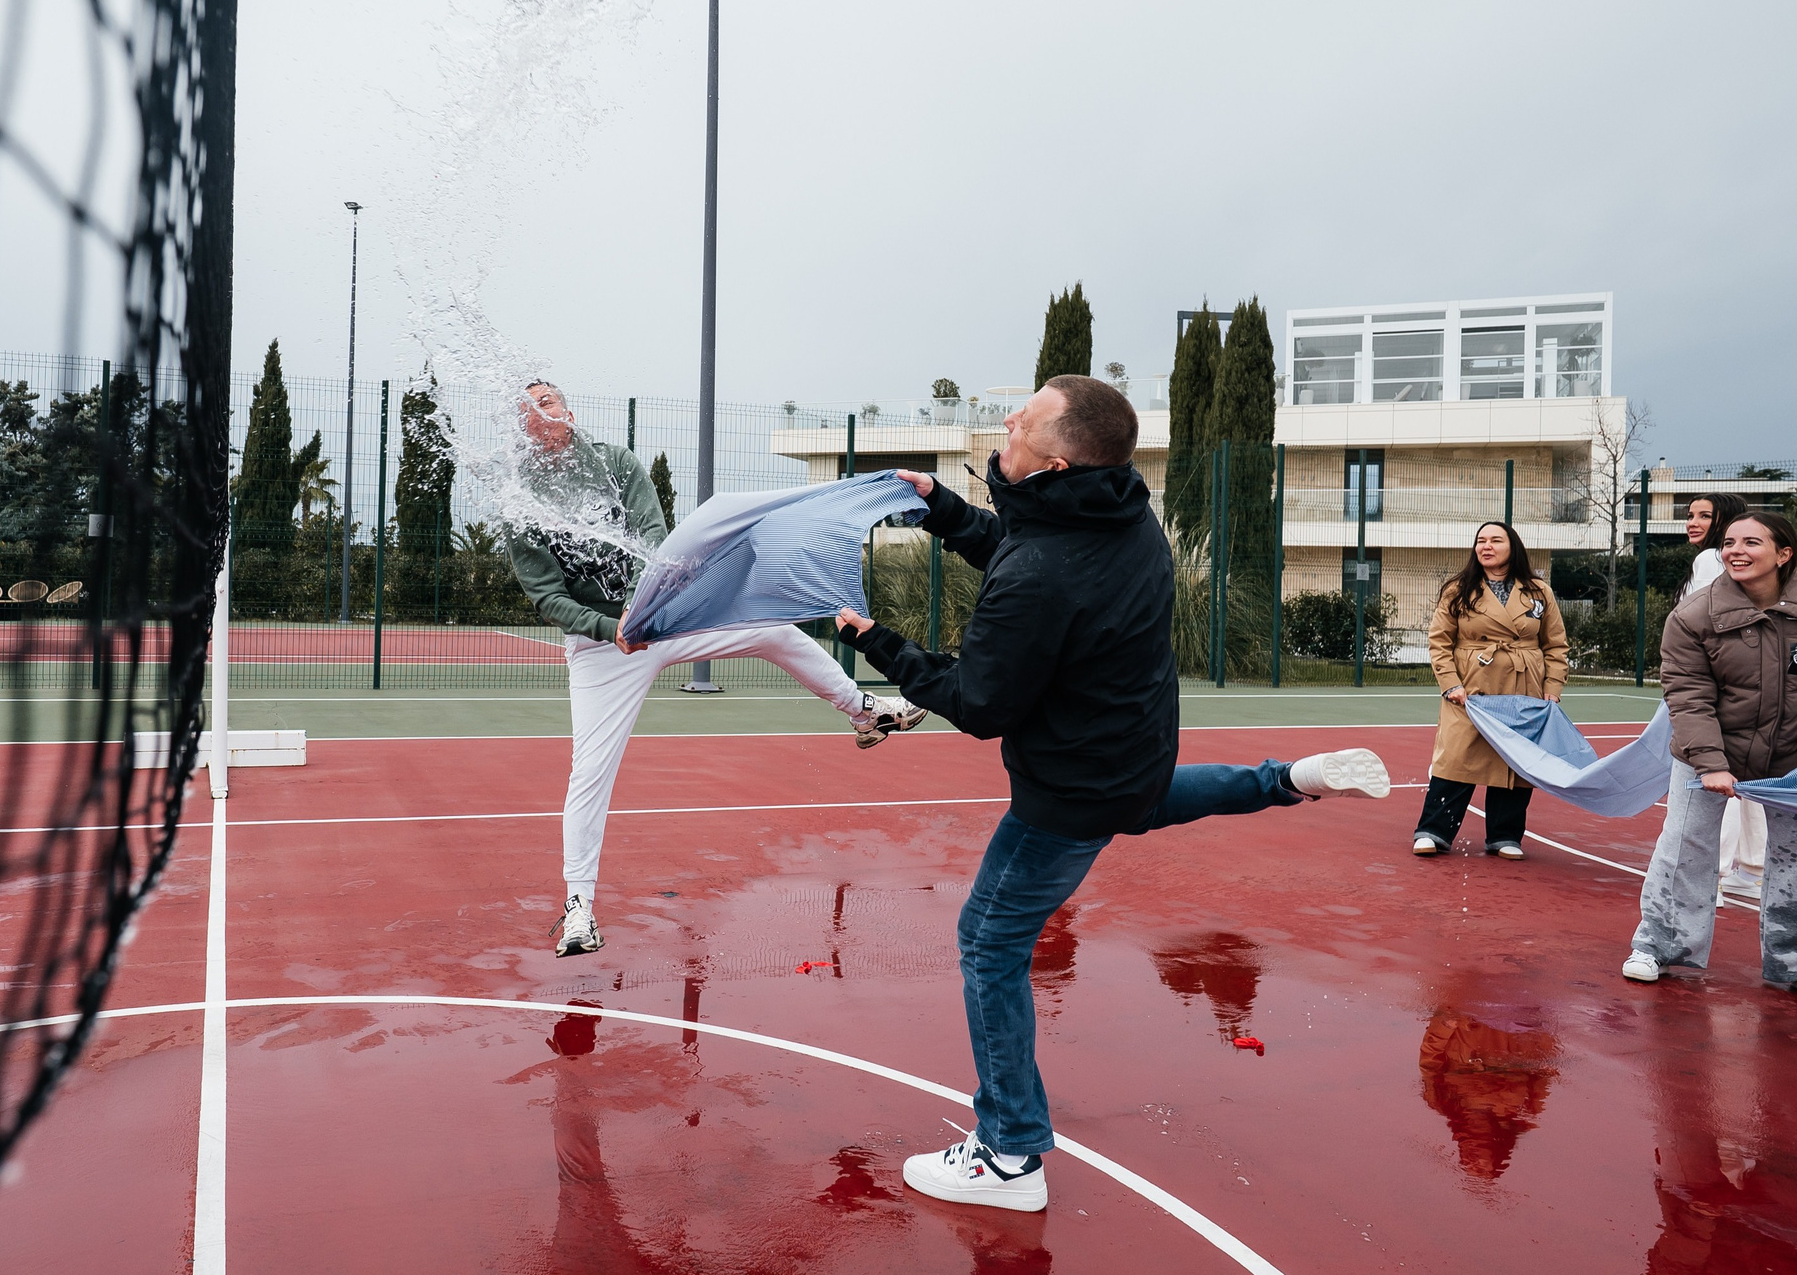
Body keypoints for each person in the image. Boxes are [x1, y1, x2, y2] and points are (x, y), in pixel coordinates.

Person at [829, 376, 1389, 1213]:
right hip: (1129, 757)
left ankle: (1011, 1154)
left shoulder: (1046, 569)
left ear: (1054, 462)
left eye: (1025, 418)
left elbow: (980, 702)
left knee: (988, 944)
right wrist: (945, 508)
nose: (1008, 418)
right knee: (1150, 799)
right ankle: (1287, 779)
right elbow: (1024, 545)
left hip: (1071, 789)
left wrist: (879, 643)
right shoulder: (1118, 510)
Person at [505, 381, 923, 958]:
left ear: (568, 410)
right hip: (604, 647)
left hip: (663, 616)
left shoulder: (615, 463)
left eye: (546, 398)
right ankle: (579, 908)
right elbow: (547, 597)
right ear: (522, 430)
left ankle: (865, 712)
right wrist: (613, 629)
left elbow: (655, 534)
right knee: (590, 773)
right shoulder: (522, 501)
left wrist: (645, 602)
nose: (539, 409)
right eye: (527, 407)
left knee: (775, 629)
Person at [1626, 511, 1797, 1006]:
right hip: (1705, 754)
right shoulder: (1693, 616)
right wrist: (1709, 762)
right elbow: (1688, 695)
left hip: (1796, 758)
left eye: (1751, 542)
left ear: (1784, 554)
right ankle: (1658, 946)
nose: (1735, 551)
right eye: (1729, 542)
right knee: (1685, 848)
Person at [1413, 522, 1569, 859]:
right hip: (1470, 687)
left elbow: (1556, 644)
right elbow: (1439, 641)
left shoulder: (1539, 591)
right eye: (1481, 541)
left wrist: (1552, 689)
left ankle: (1505, 835)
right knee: (1456, 756)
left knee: (1515, 761)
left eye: (1495, 540)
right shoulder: (1458, 589)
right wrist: (1450, 684)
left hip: (1523, 686)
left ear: (1512, 546)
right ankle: (1433, 831)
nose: (1486, 546)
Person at [1681, 492, 1766, 898]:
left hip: (1716, 686)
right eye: (1690, 515)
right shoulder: (1754, 569)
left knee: (1719, 781)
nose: (1692, 522)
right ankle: (1752, 871)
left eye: (1704, 515)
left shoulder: (1711, 560)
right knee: (1754, 783)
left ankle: (1709, 873)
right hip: (1754, 686)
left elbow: (1703, 624)